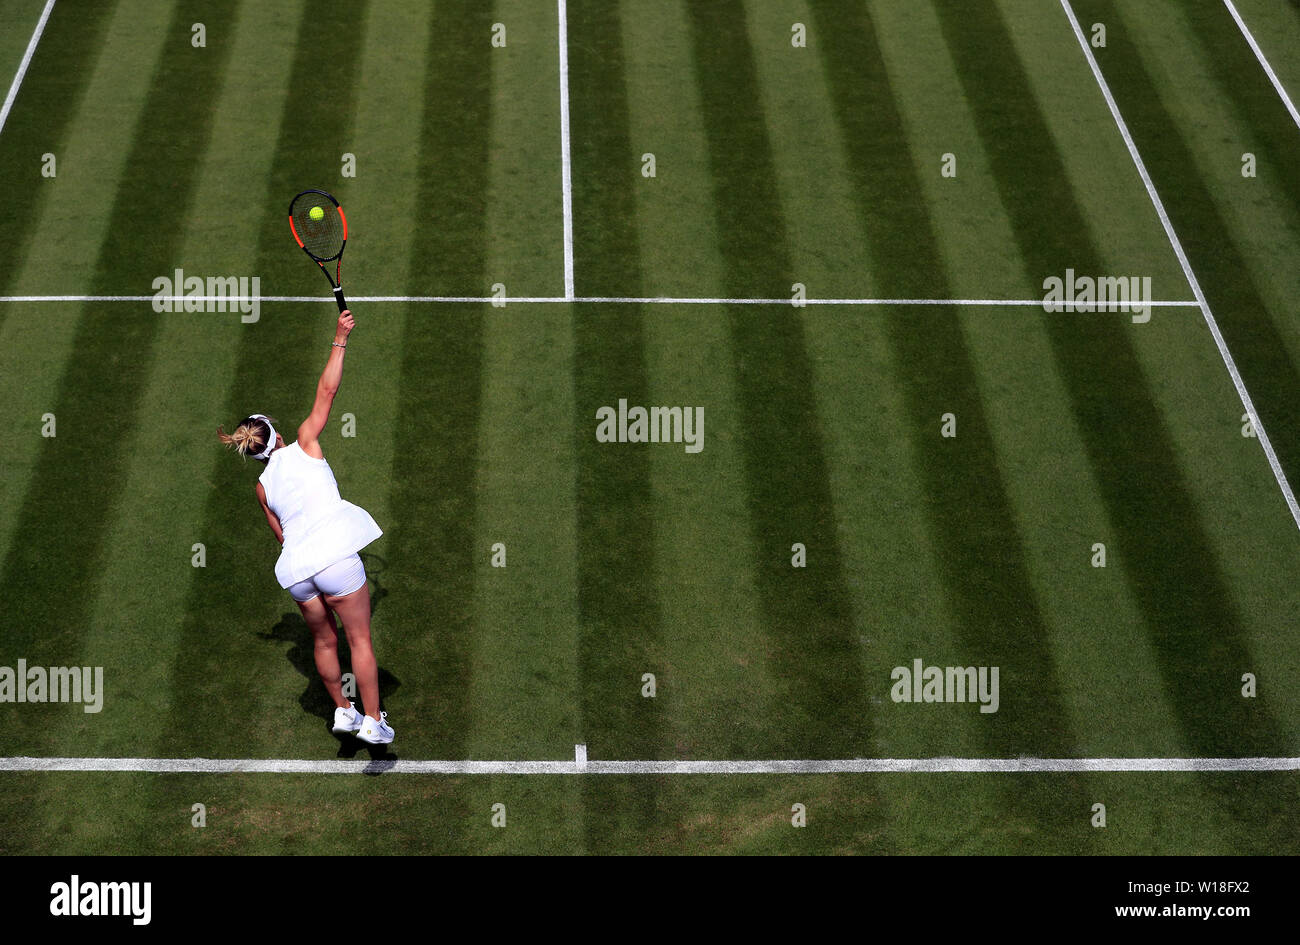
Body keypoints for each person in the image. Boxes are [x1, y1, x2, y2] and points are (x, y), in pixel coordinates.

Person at [216, 310, 393, 745]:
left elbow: (282, 536)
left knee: (325, 643)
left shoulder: (261, 488)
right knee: (360, 640)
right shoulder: (306, 441)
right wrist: (340, 338)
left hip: (298, 572)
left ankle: (343, 712)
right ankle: (373, 719)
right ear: (276, 435)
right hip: (334, 558)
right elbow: (327, 390)